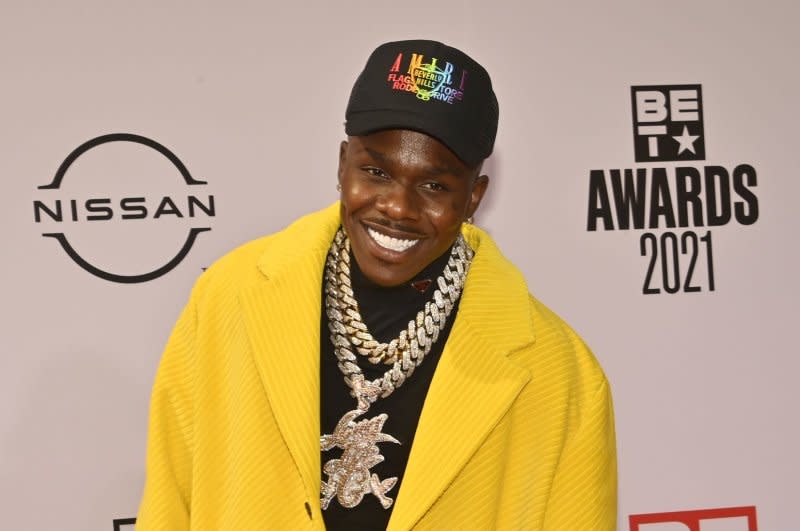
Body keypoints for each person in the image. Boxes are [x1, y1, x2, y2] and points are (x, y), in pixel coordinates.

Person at [136, 39, 617, 530]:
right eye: (376, 171)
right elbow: (170, 498)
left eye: (435, 186)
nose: (398, 208)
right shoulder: (230, 296)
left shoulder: (561, 374)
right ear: (342, 165)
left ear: (474, 197)